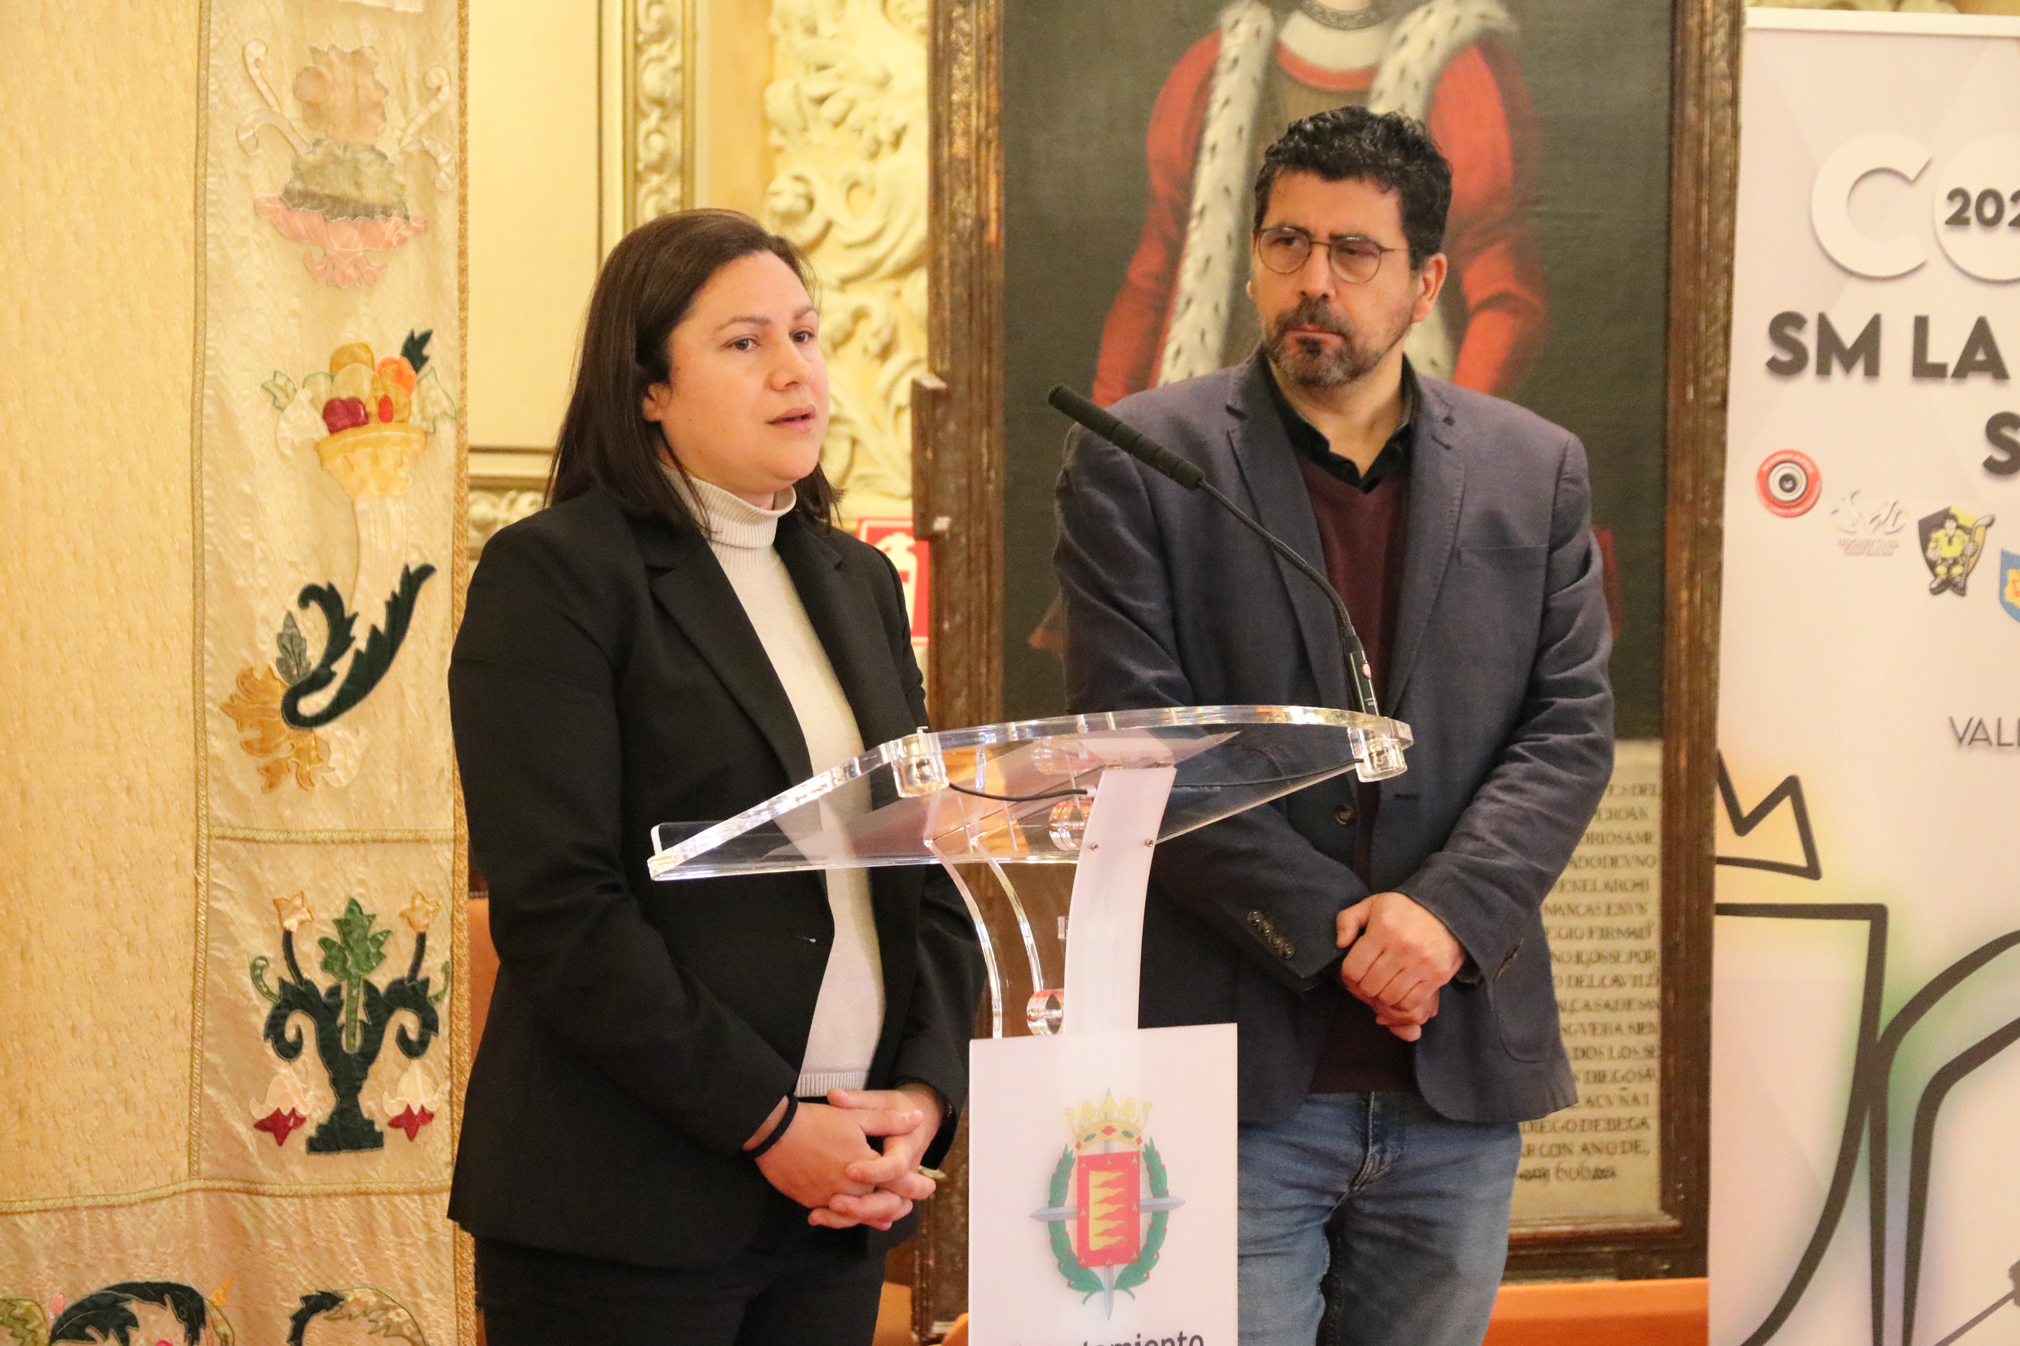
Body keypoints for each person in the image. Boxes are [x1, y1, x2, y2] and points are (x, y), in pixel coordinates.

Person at [1055, 109, 1612, 1346]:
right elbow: (1142, 739)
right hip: (1236, 1073)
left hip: (1454, 1075)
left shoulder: (1533, 470)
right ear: (1254, 257)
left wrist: (1441, 919)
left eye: (1354, 252)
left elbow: (1567, 724)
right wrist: (1346, 937)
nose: (1315, 279)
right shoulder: (1144, 457)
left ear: (1425, 281)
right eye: (1288, 243)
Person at [450, 209, 984, 1345]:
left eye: (805, 333)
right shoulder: (558, 576)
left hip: (840, 1189)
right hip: (627, 1203)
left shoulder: (857, 582)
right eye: (746, 343)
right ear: (648, 386)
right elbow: (559, 907)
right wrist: (766, 1121)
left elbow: (924, 864)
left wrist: (923, 1094)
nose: (796, 369)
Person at [1093, 0, 1546, 405]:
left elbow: (1506, 301)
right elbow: (1153, 279)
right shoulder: (1218, 67)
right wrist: (1108, 438)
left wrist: (1440, 439)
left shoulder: (1457, 72)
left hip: (1382, 430)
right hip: (1214, 424)